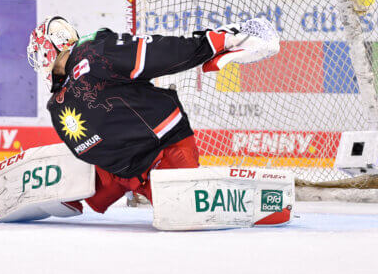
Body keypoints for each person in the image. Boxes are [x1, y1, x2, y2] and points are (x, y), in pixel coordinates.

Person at [25, 16, 276, 213]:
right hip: (121, 173)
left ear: (49, 48)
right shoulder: (58, 101)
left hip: (163, 154)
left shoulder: (94, 51)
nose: (38, 62)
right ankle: (65, 191)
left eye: (38, 54)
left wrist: (219, 41)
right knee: (89, 189)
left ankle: (255, 198)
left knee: (184, 210)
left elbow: (157, 52)